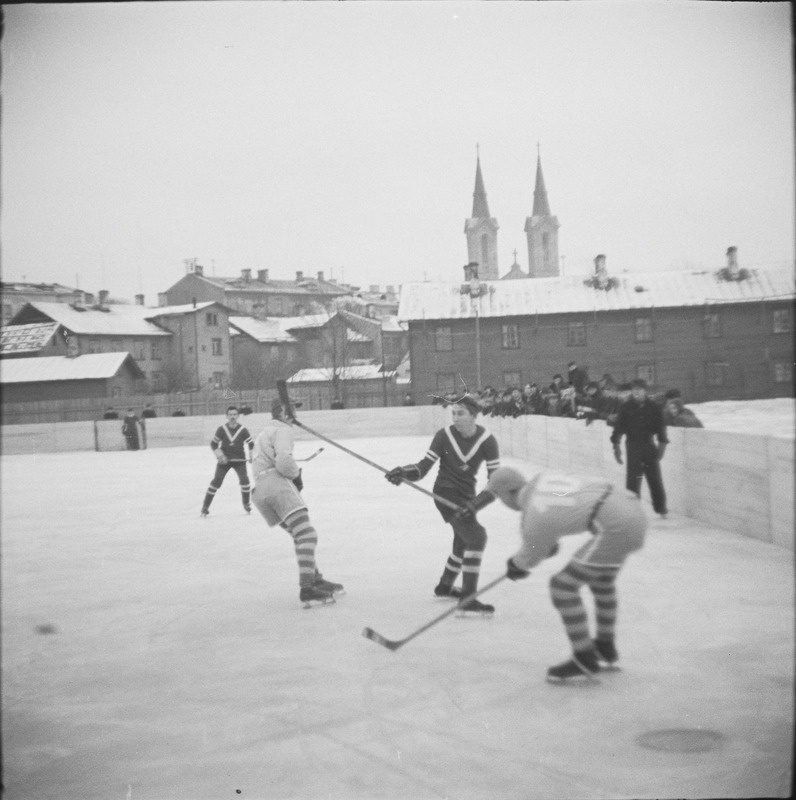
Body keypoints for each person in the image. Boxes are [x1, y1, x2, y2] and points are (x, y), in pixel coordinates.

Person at [481, 466, 646, 682]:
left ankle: (584, 658)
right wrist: (538, 550)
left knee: (562, 587)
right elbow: (571, 500)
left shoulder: (533, 513)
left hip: (614, 527)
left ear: (507, 493)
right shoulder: (543, 483)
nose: (502, 502)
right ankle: (605, 647)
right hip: (631, 509)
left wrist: (516, 565)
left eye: (499, 497)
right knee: (601, 580)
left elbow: (532, 553)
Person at [385, 394, 500, 614]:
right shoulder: (444, 436)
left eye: (461, 414)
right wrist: (403, 472)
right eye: (453, 414)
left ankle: (445, 586)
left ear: (474, 415)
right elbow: (423, 468)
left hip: (467, 497)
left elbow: (495, 483)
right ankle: (467, 599)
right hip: (445, 495)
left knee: (463, 540)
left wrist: (475, 505)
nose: (455, 419)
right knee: (476, 537)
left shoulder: (487, 441)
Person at [250, 399, 343, 606]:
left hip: (260, 490)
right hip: (276, 486)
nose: (295, 416)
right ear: (283, 412)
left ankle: (315, 578)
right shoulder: (283, 430)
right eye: (293, 410)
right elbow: (283, 461)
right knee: (308, 535)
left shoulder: (266, 431)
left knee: (299, 535)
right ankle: (307, 588)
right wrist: (295, 475)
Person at [610, 379, 669, 518]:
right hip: (633, 445)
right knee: (633, 479)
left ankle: (661, 508)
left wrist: (662, 444)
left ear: (645, 391)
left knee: (654, 478)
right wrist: (616, 445)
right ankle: (632, 511)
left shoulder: (654, 407)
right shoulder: (626, 407)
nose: (637, 392)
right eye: (634, 389)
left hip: (649, 445)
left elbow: (660, 427)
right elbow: (619, 427)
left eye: (640, 389)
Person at [200, 406, 254, 517]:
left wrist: (251, 455)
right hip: (225, 461)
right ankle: (205, 507)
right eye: (230, 415)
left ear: (238, 416)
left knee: (245, 481)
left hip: (239, 461)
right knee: (216, 481)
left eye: (234, 414)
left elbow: (251, 443)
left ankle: (246, 504)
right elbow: (214, 444)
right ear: (226, 416)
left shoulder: (243, 430)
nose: (232, 417)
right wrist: (220, 456)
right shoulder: (221, 429)